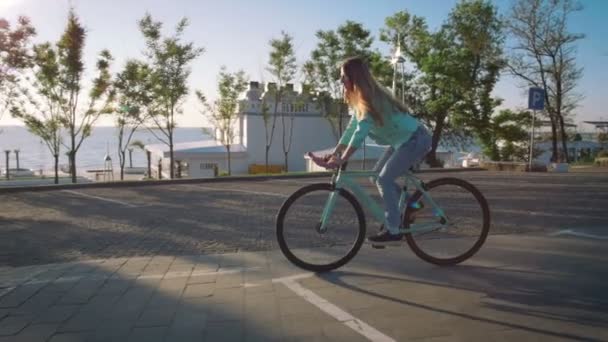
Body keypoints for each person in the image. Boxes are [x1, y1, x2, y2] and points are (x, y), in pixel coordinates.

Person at [314, 56, 432, 246]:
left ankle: (394, 230)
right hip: (402, 141)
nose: (341, 81)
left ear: (354, 77)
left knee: (384, 179)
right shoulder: (360, 99)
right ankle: (413, 205)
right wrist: (337, 153)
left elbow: (361, 133)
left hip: (415, 139)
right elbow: (353, 128)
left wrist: (343, 158)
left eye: (343, 77)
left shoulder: (370, 99)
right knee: (376, 176)